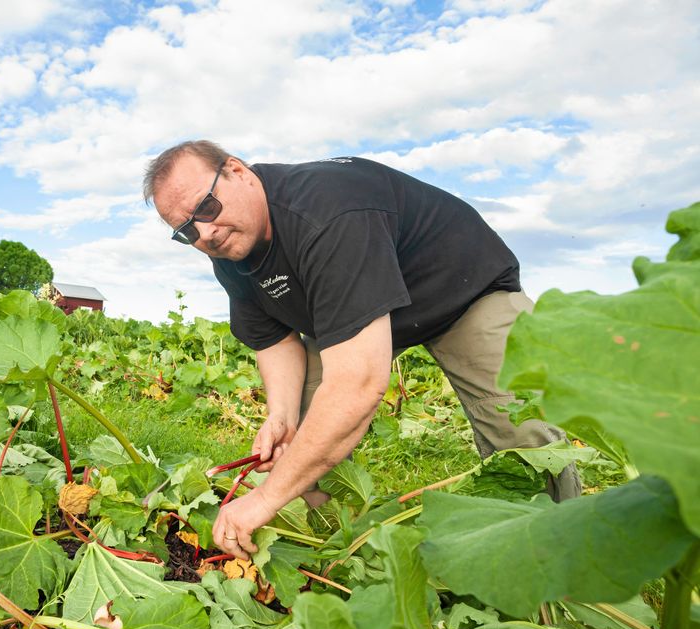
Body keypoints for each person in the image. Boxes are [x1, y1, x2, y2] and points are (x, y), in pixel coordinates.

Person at [143, 140, 581, 561]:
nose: (205, 233)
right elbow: (274, 338)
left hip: (461, 291)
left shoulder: (327, 212)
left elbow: (358, 386)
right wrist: (281, 415)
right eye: (186, 231)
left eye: (206, 208)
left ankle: (563, 554)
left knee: (521, 431)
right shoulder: (231, 248)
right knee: (306, 421)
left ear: (238, 171)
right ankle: (325, 545)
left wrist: (262, 499)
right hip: (355, 308)